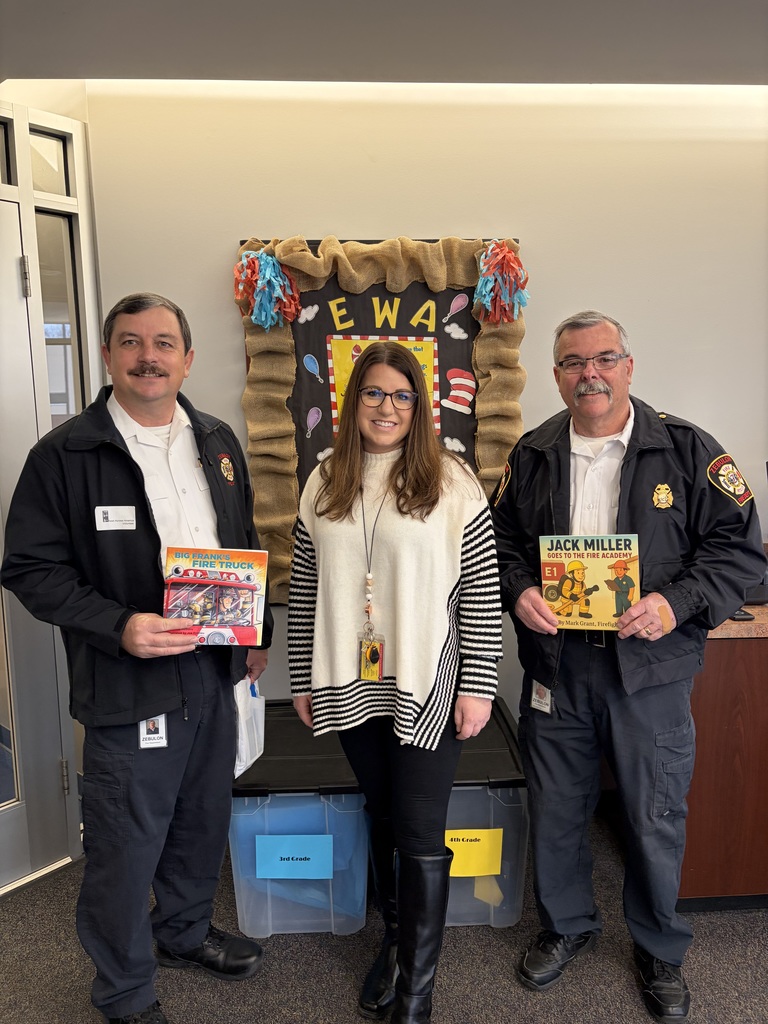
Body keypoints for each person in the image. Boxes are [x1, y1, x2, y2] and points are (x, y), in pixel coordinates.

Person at [1, 293, 274, 1024]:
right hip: (127, 680)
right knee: (126, 839)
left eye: (162, 343)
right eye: (130, 342)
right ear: (107, 356)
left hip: (213, 670)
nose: (147, 355)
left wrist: (255, 633)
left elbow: (240, 539)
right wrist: (119, 625)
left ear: (187, 358)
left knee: (199, 816)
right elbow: (29, 569)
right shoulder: (65, 455)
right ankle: (123, 990)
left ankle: (183, 932)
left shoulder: (216, 440)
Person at [491, 310, 765, 1024]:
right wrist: (519, 590)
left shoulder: (686, 448)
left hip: (650, 669)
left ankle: (659, 948)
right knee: (556, 807)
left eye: (605, 358)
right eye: (575, 362)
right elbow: (504, 544)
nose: (591, 373)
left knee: (653, 812)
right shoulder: (532, 453)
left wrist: (676, 604)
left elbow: (738, 549)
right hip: (559, 665)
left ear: (629, 366)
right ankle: (566, 926)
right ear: (555, 376)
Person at [287, 341, 503, 1024]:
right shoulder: (322, 480)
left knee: (417, 829)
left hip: (428, 685)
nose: (387, 407)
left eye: (402, 395)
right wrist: (302, 677)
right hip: (349, 685)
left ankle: (418, 990)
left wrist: (479, 684)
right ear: (354, 403)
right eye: (375, 393)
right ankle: (396, 943)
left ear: (420, 407)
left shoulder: (453, 481)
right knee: (380, 815)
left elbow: (482, 589)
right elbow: (303, 583)